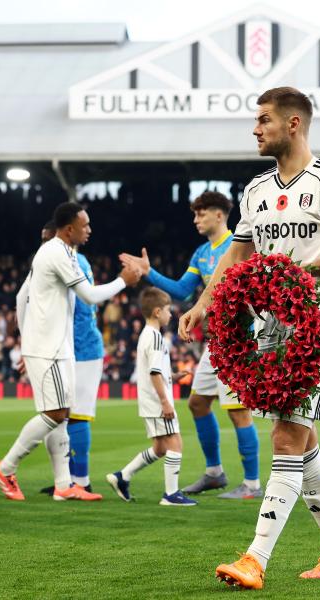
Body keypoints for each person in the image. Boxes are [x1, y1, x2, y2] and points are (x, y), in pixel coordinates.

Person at [179, 87, 320, 589]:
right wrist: (204, 304)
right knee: (302, 440)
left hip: (318, 326)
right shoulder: (256, 190)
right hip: (270, 328)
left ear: (293, 124)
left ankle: (255, 558)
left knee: (286, 434)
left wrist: (305, 268)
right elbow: (236, 256)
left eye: (263, 119)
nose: (255, 128)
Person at [0, 202, 140, 501]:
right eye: (85, 225)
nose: (89, 230)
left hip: (53, 346)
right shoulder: (56, 252)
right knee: (55, 413)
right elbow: (89, 296)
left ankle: (63, 485)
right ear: (69, 228)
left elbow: (22, 297)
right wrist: (124, 280)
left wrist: (24, 341)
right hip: (48, 348)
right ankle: (6, 467)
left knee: (61, 414)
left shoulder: (63, 253)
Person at [121, 192, 261, 499]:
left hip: (240, 340)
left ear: (220, 214)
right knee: (198, 404)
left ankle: (251, 484)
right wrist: (149, 273)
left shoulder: (240, 244)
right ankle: (214, 473)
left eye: (201, 214)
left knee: (238, 412)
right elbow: (183, 291)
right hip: (215, 342)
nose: (196, 220)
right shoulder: (201, 253)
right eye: (195, 214)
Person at [106, 288, 197, 506]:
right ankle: (171, 494)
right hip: (157, 401)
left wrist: (172, 375)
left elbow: (155, 370)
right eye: (167, 310)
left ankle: (122, 476)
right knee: (175, 443)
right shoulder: (155, 338)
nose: (171, 314)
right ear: (157, 312)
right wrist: (165, 402)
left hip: (149, 400)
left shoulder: (147, 335)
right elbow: (154, 373)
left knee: (160, 448)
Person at [35, 220, 107, 495]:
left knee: (77, 416)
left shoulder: (74, 260)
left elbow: (84, 302)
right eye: (42, 239)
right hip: (60, 347)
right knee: (57, 415)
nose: (44, 245)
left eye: (48, 238)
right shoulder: (49, 262)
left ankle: (81, 480)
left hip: (83, 348)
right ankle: (65, 480)